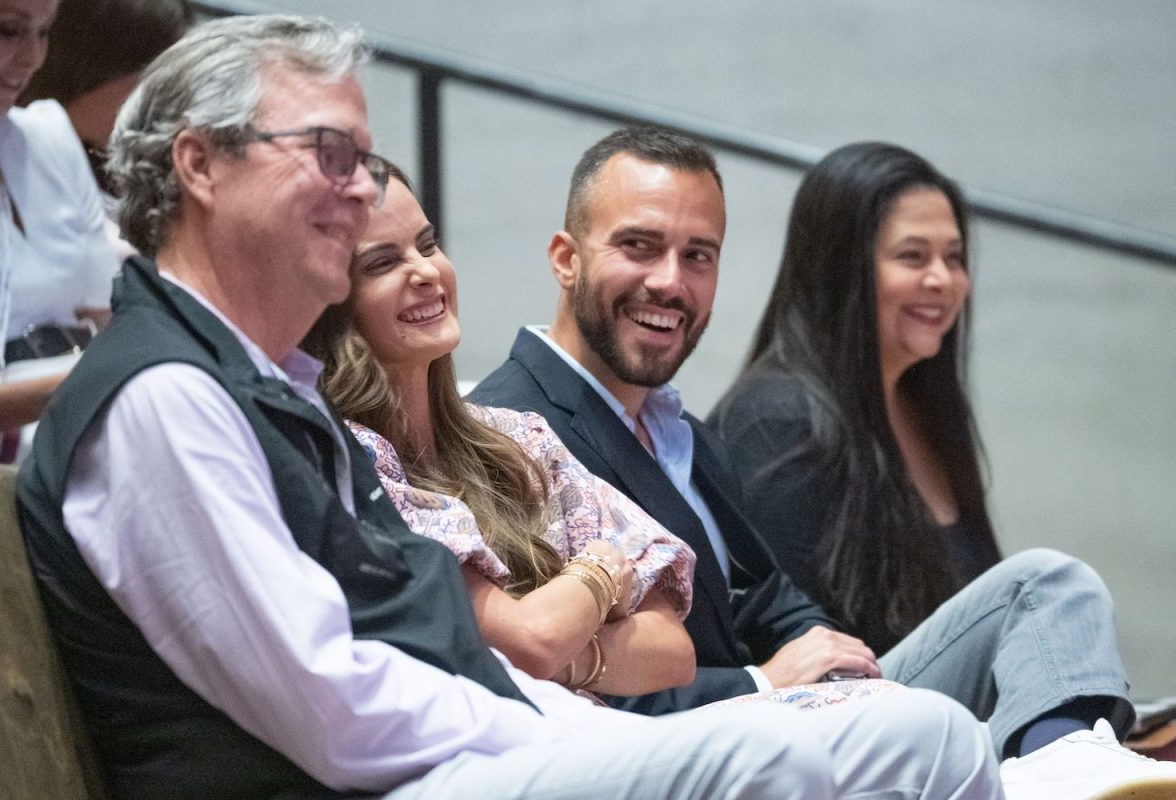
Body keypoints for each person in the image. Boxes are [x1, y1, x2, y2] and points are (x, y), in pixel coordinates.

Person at [15, 14, 1001, 800]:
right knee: (770, 763)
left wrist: (585, 706)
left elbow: (492, 641)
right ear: (200, 164)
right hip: (356, 776)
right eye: (328, 152)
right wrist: (569, 719)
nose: (361, 192)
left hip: (452, 748)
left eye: (365, 158)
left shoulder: (276, 393)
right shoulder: (164, 400)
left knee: (925, 731)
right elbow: (331, 705)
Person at [469, 125, 1176, 799]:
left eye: (698, 256)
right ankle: (1055, 770)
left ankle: (1063, 761)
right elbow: (561, 686)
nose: (670, 281)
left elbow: (766, 592)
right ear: (566, 257)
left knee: (1051, 592)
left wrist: (821, 649)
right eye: (639, 246)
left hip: (810, 713)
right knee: (1043, 585)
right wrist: (763, 682)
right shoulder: (507, 429)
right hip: (717, 751)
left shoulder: (677, 425)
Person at [307, 165, 699, 697]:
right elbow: (531, 640)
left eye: (428, 244)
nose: (425, 272)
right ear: (333, 304)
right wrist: (603, 568)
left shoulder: (518, 438)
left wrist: (570, 652)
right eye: (382, 262)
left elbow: (674, 651)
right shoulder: (352, 459)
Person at [708, 142, 997, 655]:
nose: (942, 279)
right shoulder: (776, 422)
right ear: (841, 268)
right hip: (861, 716)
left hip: (959, 720)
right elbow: (802, 641)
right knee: (1054, 582)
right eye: (913, 256)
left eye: (953, 258)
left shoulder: (927, 412)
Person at [0, 0, 118, 461]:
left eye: (44, 32)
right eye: (10, 30)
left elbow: (104, 315)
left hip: (83, 430)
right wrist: (105, 379)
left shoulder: (47, 134)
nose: (33, 56)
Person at [17, 0, 192, 260]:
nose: (163, 106)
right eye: (150, 82)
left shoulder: (128, 174)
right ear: (91, 69)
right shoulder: (8, 161)